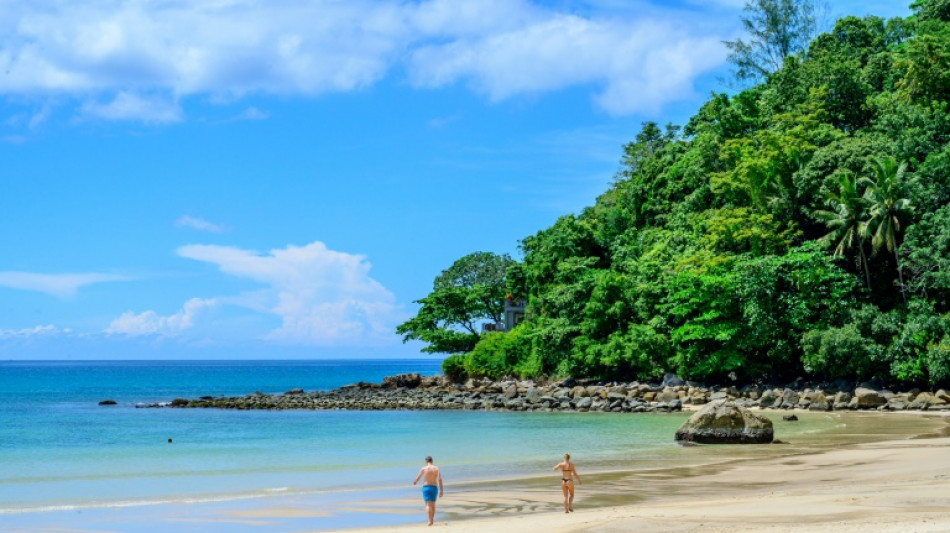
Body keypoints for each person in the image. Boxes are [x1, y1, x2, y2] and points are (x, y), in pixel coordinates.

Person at [412, 455, 444, 526]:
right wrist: (441, 490)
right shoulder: (436, 468)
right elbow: (439, 479)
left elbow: (418, 477)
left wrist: (415, 482)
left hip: (426, 487)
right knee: (433, 505)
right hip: (434, 488)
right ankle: (432, 520)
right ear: (432, 461)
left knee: (427, 504)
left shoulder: (424, 468)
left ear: (426, 462)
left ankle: (429, 521)